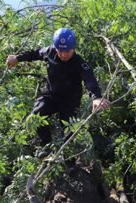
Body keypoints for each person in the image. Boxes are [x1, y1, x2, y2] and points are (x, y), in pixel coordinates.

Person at [6, 28, 109, 157]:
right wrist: (17, 58)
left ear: (74, 48)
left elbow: (90, 80)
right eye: (60, 51)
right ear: (56, 48)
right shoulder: (49, 52)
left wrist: (97, 97)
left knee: (67, 133)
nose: (64, 54)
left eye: (67, 51)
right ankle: (46, 147)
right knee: (37, 114)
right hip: (51, 97)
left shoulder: (80, 63)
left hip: (70, 102)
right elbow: (35, 54)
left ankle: (69, 161)